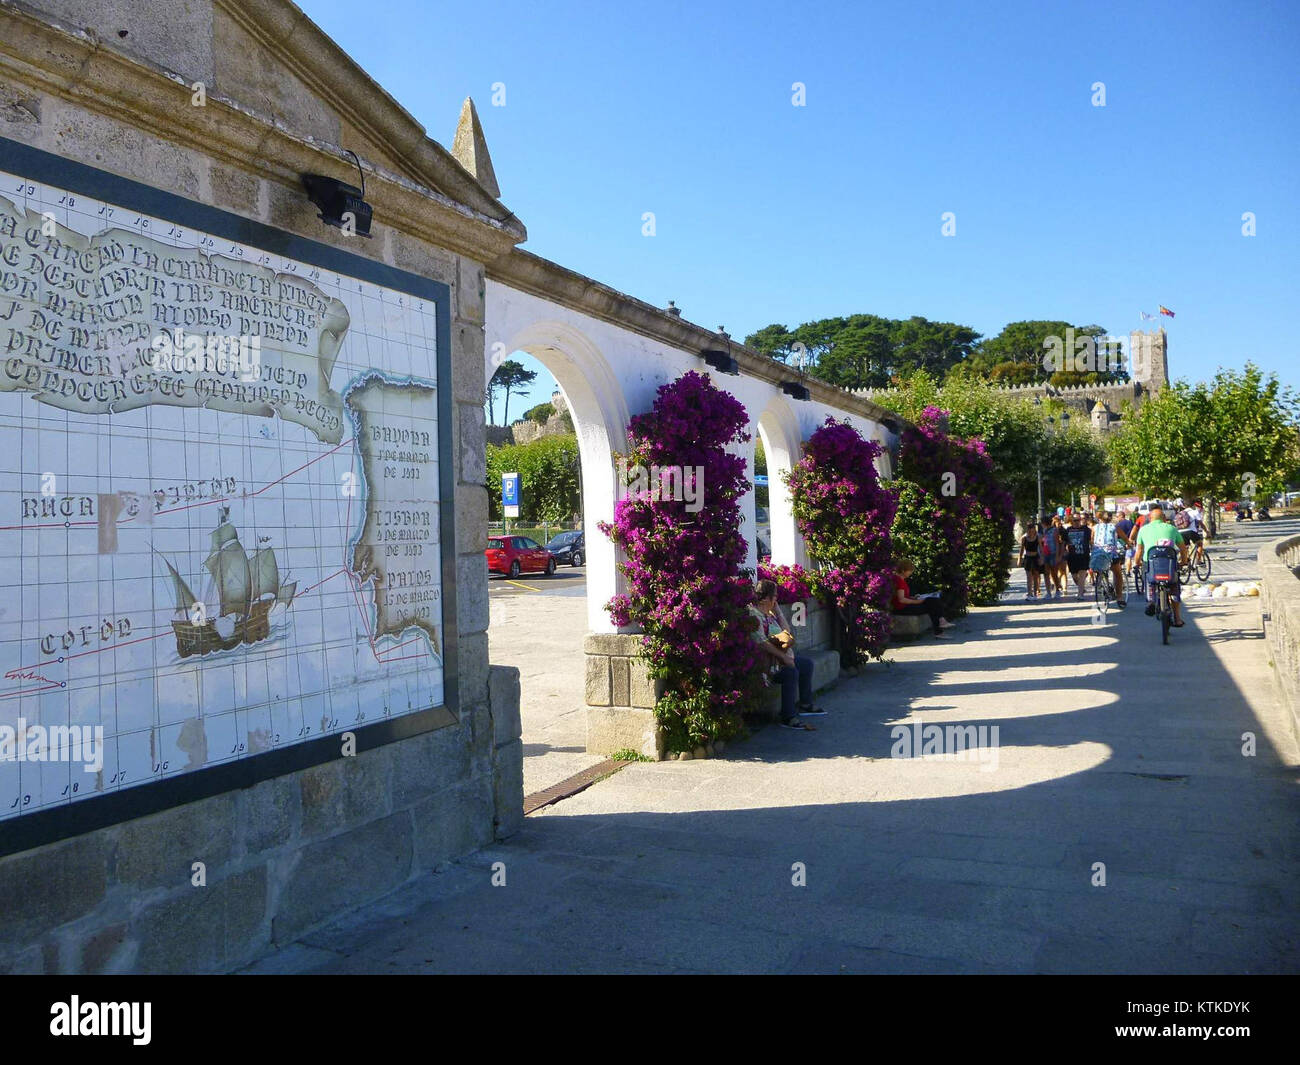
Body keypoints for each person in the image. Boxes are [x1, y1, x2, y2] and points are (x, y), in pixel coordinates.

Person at [751, 580, 823, 730]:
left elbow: (787, 633)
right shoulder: (754, 615)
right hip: (767, 664)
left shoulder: (770, 614)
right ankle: (788, 716)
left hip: (779, 659)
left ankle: (805, 703)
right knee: (791, 673)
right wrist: (783, 657)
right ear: (765, 598)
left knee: (806, 664)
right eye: (774, 597)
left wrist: (778, 611)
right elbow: (761, 642)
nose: (776, 600)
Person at [1132, 505, 1189, 627]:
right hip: (1169, 564)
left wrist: (1136, 563)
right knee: (1174, 586)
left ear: (1150, 518)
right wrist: (1184, 562)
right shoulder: (1172, 529)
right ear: (1164, 518)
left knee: (1148, 579)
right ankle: (1178, 618)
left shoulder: (1143, 530)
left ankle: (1150, 601)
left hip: (1151, 564)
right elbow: (1183, 549)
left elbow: (1139, 551)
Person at [892, 558, 953, 636]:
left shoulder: (899, 579)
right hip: (902, 609)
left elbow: (901, 596)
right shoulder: (899, 581)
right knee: (931, 603)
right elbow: (901, 599)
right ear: (903, 570)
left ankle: (940, 627)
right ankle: (940, 626)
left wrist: (913, 597)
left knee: (931, 602)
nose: (911, 572)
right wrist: (916, 601)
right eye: (910, 570)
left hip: (903, 606)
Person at [1091, 510, 1127, 606]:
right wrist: (1130, 544)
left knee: (1098, 566)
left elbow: (1091, 541)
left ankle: (1101, 581)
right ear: (1110, 518)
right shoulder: (1115, 527)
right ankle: (1119, 597)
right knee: (1117, 573)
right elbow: (1124, 538)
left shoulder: (1094, 528)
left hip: (1097, 553)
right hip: (1111, 554)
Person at [1063, 512, 1093, 599]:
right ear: (1071, 521)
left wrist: (1093, 550)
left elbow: (1091, 541)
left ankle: (1080, 594)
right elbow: (1064, 542)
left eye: (1078, 520)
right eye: (1075, 520)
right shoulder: (1068, 530)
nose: (1077, 522)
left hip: (1083, 555)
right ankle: (1081, 587)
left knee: (1082, 574)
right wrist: (1063, 551)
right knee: (1074, 576)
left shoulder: (1086, 530)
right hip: (1072, 556)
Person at [1018, 520, 1043, 600]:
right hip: (1028, 558)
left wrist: (1042, 558)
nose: (1030, 530)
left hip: (1035, 557)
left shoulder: (1038, 537)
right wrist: (1019, 558)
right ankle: (1029, 593)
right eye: (1029, 528)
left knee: (1036, 576)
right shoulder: (1024, 538)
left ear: (1034, 529)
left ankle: (1035, 593)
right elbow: (1021, 549)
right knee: (1029, 577)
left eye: (1032, 528)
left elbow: (1041, 549)